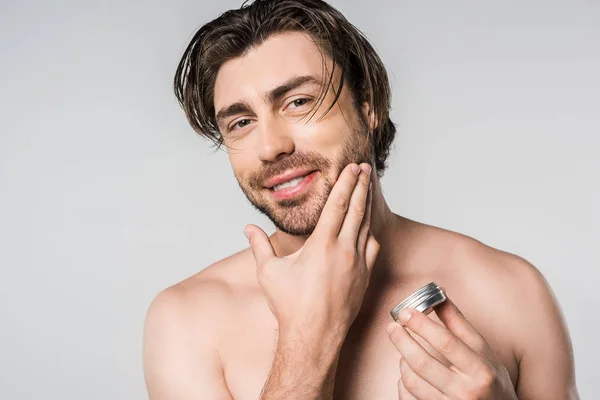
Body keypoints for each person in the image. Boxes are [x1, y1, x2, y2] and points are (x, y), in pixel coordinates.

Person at [143, 0, 578, 398]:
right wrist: (307, 341)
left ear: (368, 107)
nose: (270, 146)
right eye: (240, 122)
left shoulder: (510, 291)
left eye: (297, 102)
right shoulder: (186, 322)